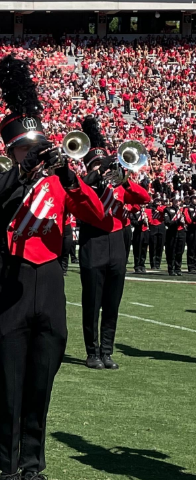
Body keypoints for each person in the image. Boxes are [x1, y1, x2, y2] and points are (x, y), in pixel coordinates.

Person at [0, 56, 104, 480]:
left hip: (49, 284)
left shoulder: (57, 183)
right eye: (25, 147)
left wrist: (71, 179)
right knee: (10, 381)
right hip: (11, 284)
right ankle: (8, 470)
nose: (35, 153)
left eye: (37, 146)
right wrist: (20, 173)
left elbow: (98, 217)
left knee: (41, 382)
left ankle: (35, 468)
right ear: (12, 149)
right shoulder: (0, 178)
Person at [75, 117, 151, 369]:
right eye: (96, 164)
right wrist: (96, 174)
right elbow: (77, 193)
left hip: (117, 244)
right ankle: (92, 352)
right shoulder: (85, 186)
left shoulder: (117, 187)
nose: (103, 167)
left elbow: (144, 198)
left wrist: (126, 180)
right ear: (89, 166)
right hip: (93, 243)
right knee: (92, 302)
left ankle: (106, 351)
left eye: (104, 163)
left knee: (112, 303)